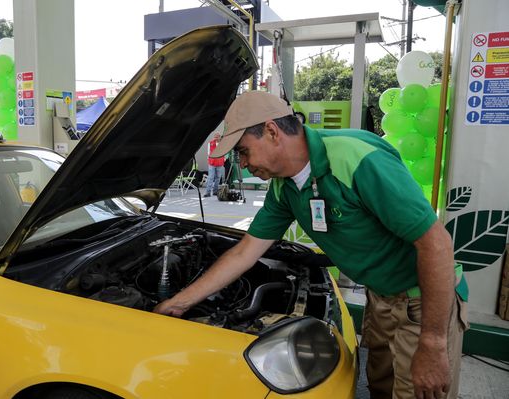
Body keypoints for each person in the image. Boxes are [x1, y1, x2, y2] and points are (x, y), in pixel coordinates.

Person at [155, 91, 468, 399]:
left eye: (243, 150)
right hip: (381, 297)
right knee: (381, 388)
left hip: (423, 301)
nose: (243, 163)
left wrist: (433, 341)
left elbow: (436, 244)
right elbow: (244, 252)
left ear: (271, 131)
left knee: (419, 389)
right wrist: (179, 302)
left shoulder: (355, 158)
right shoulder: (284, 188)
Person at [204, 131, 225, 197]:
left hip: (220, 162)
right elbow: (208, 153)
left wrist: (224, 158)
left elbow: (224, 152)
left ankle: (215, 191)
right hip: (212, 163)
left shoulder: (222, 144)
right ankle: (208, 192)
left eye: (217, 137)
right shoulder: (210, 143)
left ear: (219, 137)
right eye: (214, 137)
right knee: (211, 177)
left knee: (218, 178)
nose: (215, 138)